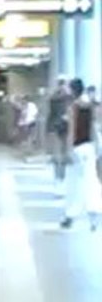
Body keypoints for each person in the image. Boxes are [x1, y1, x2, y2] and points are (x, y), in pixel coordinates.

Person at [61, 78, 102, 230]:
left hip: (78, 147)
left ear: (73, 90)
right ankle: (93, 216)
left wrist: (68, 149)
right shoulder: (90, 106)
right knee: (91, 180)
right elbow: (93, 127)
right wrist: (97, 148)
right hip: (89, 147)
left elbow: (72, 129)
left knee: (75, 182)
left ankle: (71, 215)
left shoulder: (74, 106)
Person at [46, 77, 71, 186]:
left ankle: (60, 176)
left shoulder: (54, 97)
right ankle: (60, 175)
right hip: (62, 126)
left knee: (60, 152)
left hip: (58, 126)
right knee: (61, 152)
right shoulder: (68, 97)